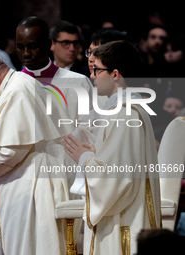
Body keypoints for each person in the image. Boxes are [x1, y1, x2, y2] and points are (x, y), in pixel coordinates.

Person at [0, 50, 74, 255]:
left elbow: (9, 151)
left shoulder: (18, 90)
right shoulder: (14, 87)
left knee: (29, 248)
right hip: (25, 183)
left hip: (33, 188)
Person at [63, 40, 161, 254]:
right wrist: (94, 155)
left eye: (97, 70)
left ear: (115, 74)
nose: (92, 77)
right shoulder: (122, 110)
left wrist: (84, 158)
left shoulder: (125, 113)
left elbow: (117, 180)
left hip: (124, 221)